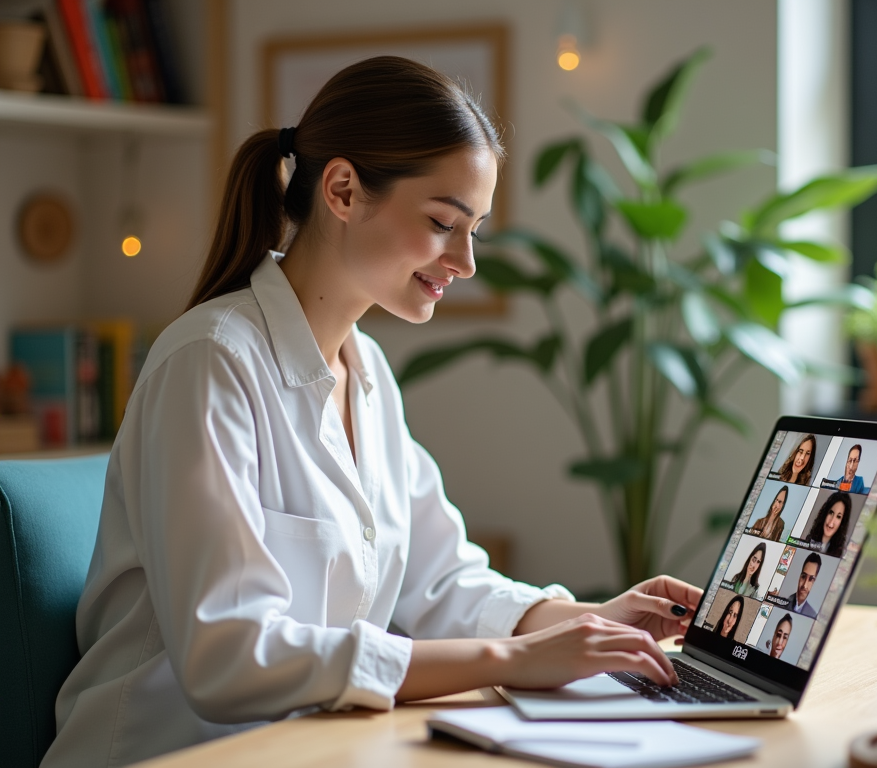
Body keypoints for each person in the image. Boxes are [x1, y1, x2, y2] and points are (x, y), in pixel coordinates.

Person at [41, 57, 705, 768]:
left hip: (310, 749)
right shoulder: (211, 362)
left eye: (474, 229)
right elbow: (228, 654)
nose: (466, 261)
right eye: (445, 223)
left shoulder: (366, 372)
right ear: (344, 190)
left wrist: (588, 622)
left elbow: (442, 580)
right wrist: (510, 658)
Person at [805, 491, 853, 557]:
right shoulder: (808, 542)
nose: (831, 522)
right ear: (825, 513)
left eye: (838, 517)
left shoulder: (841, 554)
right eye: (831, 513)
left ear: (842, 522)